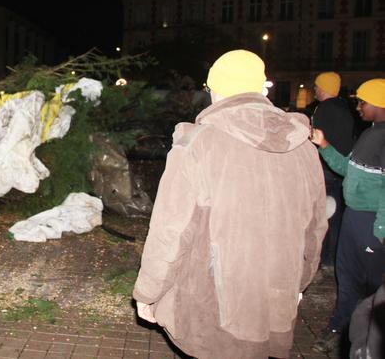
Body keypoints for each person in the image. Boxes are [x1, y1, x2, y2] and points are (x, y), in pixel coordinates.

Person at [133, 49, 327, 359]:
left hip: (211, 303)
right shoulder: (303, 148)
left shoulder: (197, 145)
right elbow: (315, 229)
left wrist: (148, 292)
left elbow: (170, 230)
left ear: (216, 90)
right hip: (276, 296)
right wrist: (298, 284)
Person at [311, 78, 385, 353]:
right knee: (347, 277)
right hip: (354, 218)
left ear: (379, 104)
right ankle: (339, 326)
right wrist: (325, 145)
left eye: (362, 102)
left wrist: (381, 229)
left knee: (372, 286)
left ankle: (372, 339)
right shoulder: (369, 134)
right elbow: (346, 169)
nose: (358, 107)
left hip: (372, 222)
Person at [312, 72, 355, 270]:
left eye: (316, 86)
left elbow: (317, 140)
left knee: (322, 215)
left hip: (325, 168)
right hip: (340, 168)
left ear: (323, 88)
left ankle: (322, 257)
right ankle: (332, 258)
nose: (314, 90)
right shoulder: (345, 108)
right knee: (336, 214)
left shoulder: (324, 110)